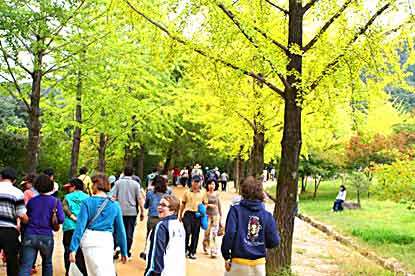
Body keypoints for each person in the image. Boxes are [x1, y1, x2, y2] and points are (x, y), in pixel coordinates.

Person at [69, 173, 128, 276]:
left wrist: (73, 248)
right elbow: (121, 231)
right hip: (106, 241)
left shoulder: (86, 202)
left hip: (89, 240)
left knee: (92, 271)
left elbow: (80, 227)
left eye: (92, 184)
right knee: (105, 271)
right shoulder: (115, 205)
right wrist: (124, 251)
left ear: (96, 184)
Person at [221, 176, 280, 276]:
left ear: (243, 192)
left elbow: (230, 234)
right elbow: (274, 241)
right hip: (259, 266)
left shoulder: (235, 211)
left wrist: (226, 255)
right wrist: (261, 243)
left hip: (238, 262)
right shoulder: (267, 215)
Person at [19, 174, 65, 276]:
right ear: (52, 187)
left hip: (30, 235)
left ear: (36, 186)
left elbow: (27, 216)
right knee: (47, 263)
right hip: (46, 236)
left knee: (26, 266)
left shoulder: (32, 201)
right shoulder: (55, 202)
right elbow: (61, 219)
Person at [144, 195, 186, 276]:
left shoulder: (162, 226)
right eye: (159, 204)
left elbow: (157, 254)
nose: (159, 207)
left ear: (173, 210)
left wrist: (152, 273)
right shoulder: (180, 225)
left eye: (163, 205)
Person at [0, 167, 29, 276]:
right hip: (9, 231)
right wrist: (28, 221)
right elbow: (21, 214)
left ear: (1, 177)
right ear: (15, 180)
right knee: (12, 262)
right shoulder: (17, 192)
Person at [111, 166, 145, 259]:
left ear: (124, 172)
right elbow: (139, 198)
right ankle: (126, 251)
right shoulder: (136, 184)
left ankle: (117, 246)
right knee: (129, 231)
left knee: (117, 230)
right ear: (132, 173)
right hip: (132, 211)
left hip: (119, 211)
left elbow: (112, 197)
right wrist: (142, 211)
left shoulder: (117, 183)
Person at [62, 178, 89, 276]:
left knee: (68, 249)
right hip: (83, 228)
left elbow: (65, 208)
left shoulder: (67, 197)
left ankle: (68, 271)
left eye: (70, 187)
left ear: (74, 187)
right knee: (82, 250)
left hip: (69, 227)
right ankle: (83, 271)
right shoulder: (88, 197)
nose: (68, 189)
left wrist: (73, 217)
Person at [179, 175, 208, 259]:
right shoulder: (186, 192)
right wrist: (180, 215)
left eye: (197, 182)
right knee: (187, 232)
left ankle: (192, 252)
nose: (196, 183)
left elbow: (205, 203)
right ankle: (185, 249)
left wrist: (202, 212)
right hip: (188, 213)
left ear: (200, 183)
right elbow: (183, 204)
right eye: (194, 181)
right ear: (191, 182)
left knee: (195, 234)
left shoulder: (203, 192)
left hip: (197, 215)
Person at [203, 180, 222, 258]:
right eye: (210, 184)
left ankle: (214, 251)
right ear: (207, 185)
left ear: (215, 186)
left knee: (214, 233)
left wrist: (221, 216)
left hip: (215, 215)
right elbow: (203, 204)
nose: (211, 186)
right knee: (206, 232)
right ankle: (205, 246)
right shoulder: (205, 194)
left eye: (213, 184)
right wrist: (208, 205)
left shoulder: (217, 194)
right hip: (207, 215)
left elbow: (219, 205)